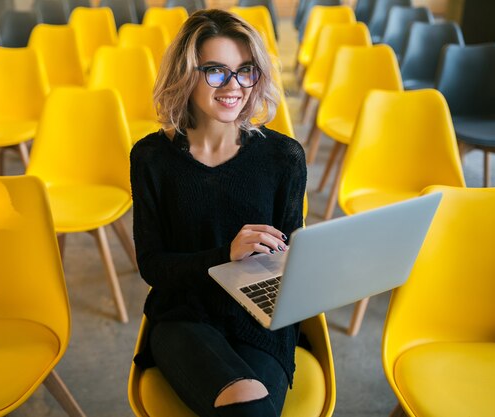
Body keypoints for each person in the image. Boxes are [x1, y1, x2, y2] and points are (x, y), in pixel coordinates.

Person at [130, 9, 307, 417]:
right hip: (184, 315)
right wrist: (225, 255)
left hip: (261, 315)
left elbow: (291, 257)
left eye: (246, 71)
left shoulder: (284, 157)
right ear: (185, 74)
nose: (234, 86)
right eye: (216, 71)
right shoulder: (152, 158)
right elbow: (154, 267)